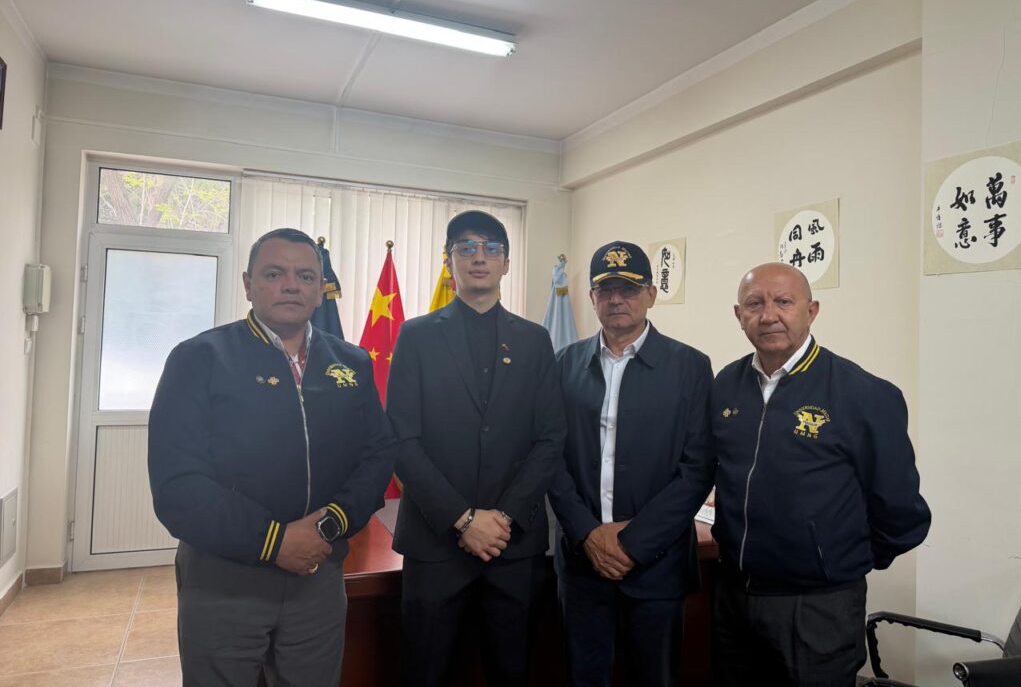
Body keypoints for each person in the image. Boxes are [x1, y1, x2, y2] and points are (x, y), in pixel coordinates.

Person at [148, 227, 396, 687]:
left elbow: (377, 456)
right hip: (225, 581)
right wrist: (275, 541)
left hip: (318, 575)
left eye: (305, 276)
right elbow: (178, 484)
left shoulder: (352, 362)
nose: (291, 286)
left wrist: (329, 525)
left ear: (320, 290)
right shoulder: (198, 358)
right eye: (274, 274)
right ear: (248, 284)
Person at [711, 262, 931, 687]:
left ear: (811, 311)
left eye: (784, 302)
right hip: (734, 597)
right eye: (754, 304)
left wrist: (835, 561)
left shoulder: (863, 394)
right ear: (738, 315)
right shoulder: (726, 385)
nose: (769, 315)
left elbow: (902, 514)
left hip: (818, 606)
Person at [387, 210, 566, 687]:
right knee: (425, 671)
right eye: (465, 248)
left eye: (491, 248)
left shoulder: (534, 341)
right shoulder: (416, 335)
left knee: (513, 670)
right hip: (434, 543)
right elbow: (401, 438)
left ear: (507, 262)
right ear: (449, 262)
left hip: (513, 545)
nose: (479, 257)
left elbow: (550, 438)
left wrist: (501, 518)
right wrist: (463, 519)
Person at [548, 240, 715, 687]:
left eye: (629, 288)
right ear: (592, 298)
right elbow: (550, 459)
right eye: (606, 290)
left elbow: (698, 468)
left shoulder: (690, 367)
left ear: (651, 295)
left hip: (657, 566)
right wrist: (588, 533)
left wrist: (633, 542)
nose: (616, 299)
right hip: (582, 565)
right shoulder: (563, 364)